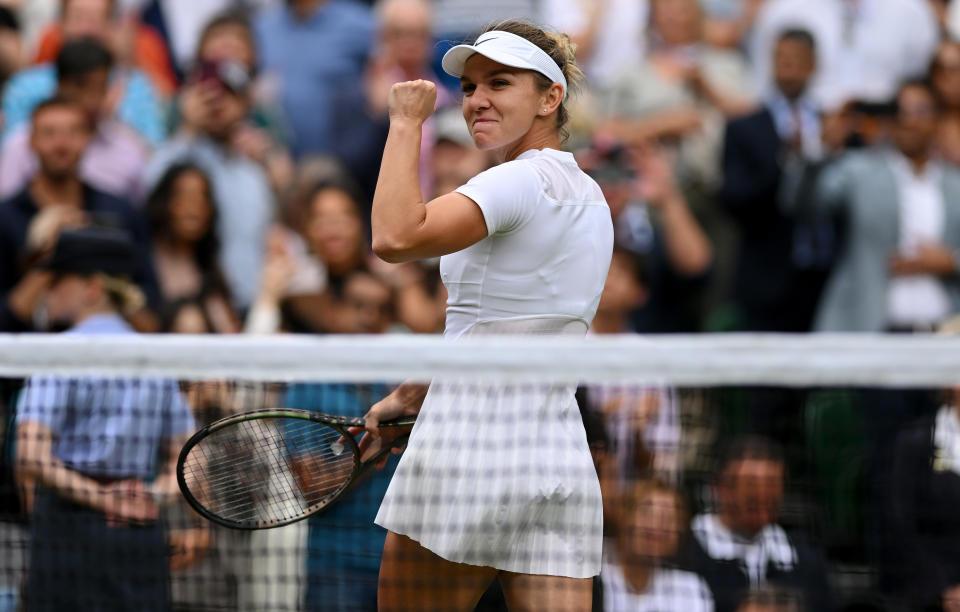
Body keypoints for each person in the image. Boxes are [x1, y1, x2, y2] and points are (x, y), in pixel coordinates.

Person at [360, 20, 614, 610]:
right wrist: (417, 391)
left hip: (469, 451)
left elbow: (395, 236)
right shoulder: (592, 196)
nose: (477, 100)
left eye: (499, 83)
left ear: (551, 97)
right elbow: (512, 321)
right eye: (471, 87)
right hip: (554, 455)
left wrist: (404, 123)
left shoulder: (515, 181)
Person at [13, 226, 195, 611]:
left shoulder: (59, 353)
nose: (49, 290)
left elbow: (30, 453)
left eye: (58, 279)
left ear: (92, 287)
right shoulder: (155, 357)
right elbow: (192, 457)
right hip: (138, 530)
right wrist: (151, 495)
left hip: (69, 531)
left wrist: (101, 498)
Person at [797, 80, 960, 333]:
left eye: (921, 111)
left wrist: (951, 262)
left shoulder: (955, 183)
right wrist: (824, 148)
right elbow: (804, 202)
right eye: (900, 112)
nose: (910, 121)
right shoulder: (858, 170)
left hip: (945, 330)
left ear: (938, 119)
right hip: (870, 327)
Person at [0, 96, 159, 333]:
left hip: (109, 359)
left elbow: (152, 312)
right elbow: (4, 320)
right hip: (26, 363)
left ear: (88, 139)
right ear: (31, 141)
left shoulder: (119, 211)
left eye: (73, 132)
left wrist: (101, 270)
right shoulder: (5, 217)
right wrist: (54, 256)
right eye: (49, 133)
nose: (61, 144)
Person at [143, 53, 274, 312]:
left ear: (245, 104)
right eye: (206, 94)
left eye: (227, 94)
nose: (216, 103)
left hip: (243, 309)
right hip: (183, 309)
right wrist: (188, 128)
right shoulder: (175, 154)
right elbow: (149, 190)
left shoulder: (253, 174)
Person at [721, 28, 832, 333]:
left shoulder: (832, 124)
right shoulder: (745, 128)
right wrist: (784, 162)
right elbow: (734, 199)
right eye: (781, 58)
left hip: (825, 274)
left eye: (796, 59)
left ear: (813, 65)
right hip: (766, 276)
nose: (788, 67)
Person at [679, 436, 832, 612]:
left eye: (772, 484)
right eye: (751, 484)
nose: (763, 494)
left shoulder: (806, 558)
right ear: (719, 488)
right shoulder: (684, 553)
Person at [0, 38, 149, 202]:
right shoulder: (20, 145)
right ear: (59, 85)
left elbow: (136, 216)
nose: (91, 99)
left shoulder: (129, 149)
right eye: (81, 86)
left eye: (100, 87)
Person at [1, 0, 166, 146]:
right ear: (60, 24)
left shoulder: (134, 85)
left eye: (96, 19)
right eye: (78, 18)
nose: (86, 29)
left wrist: (109, 122)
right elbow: (8, 153)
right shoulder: (25, 85)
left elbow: (154, 158)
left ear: (111, 27)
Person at [749, 0, 938, 108]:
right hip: (806, 144)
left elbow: (920, 89)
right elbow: (765, 90)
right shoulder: (783, 10)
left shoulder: (912, 12)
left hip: (887, 145)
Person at [145, 162, 240, 334]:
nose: (194, 206)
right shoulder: (143, 262)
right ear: (165, 201)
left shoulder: (210, 270)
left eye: (202, 197)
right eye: (184, 195)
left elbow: (230, 334)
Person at [596, 480, 713, 611]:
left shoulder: (690, 589)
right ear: (624, 517)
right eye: (647, 513)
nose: (657, 525)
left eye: (668, 518)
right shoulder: (594, 577)